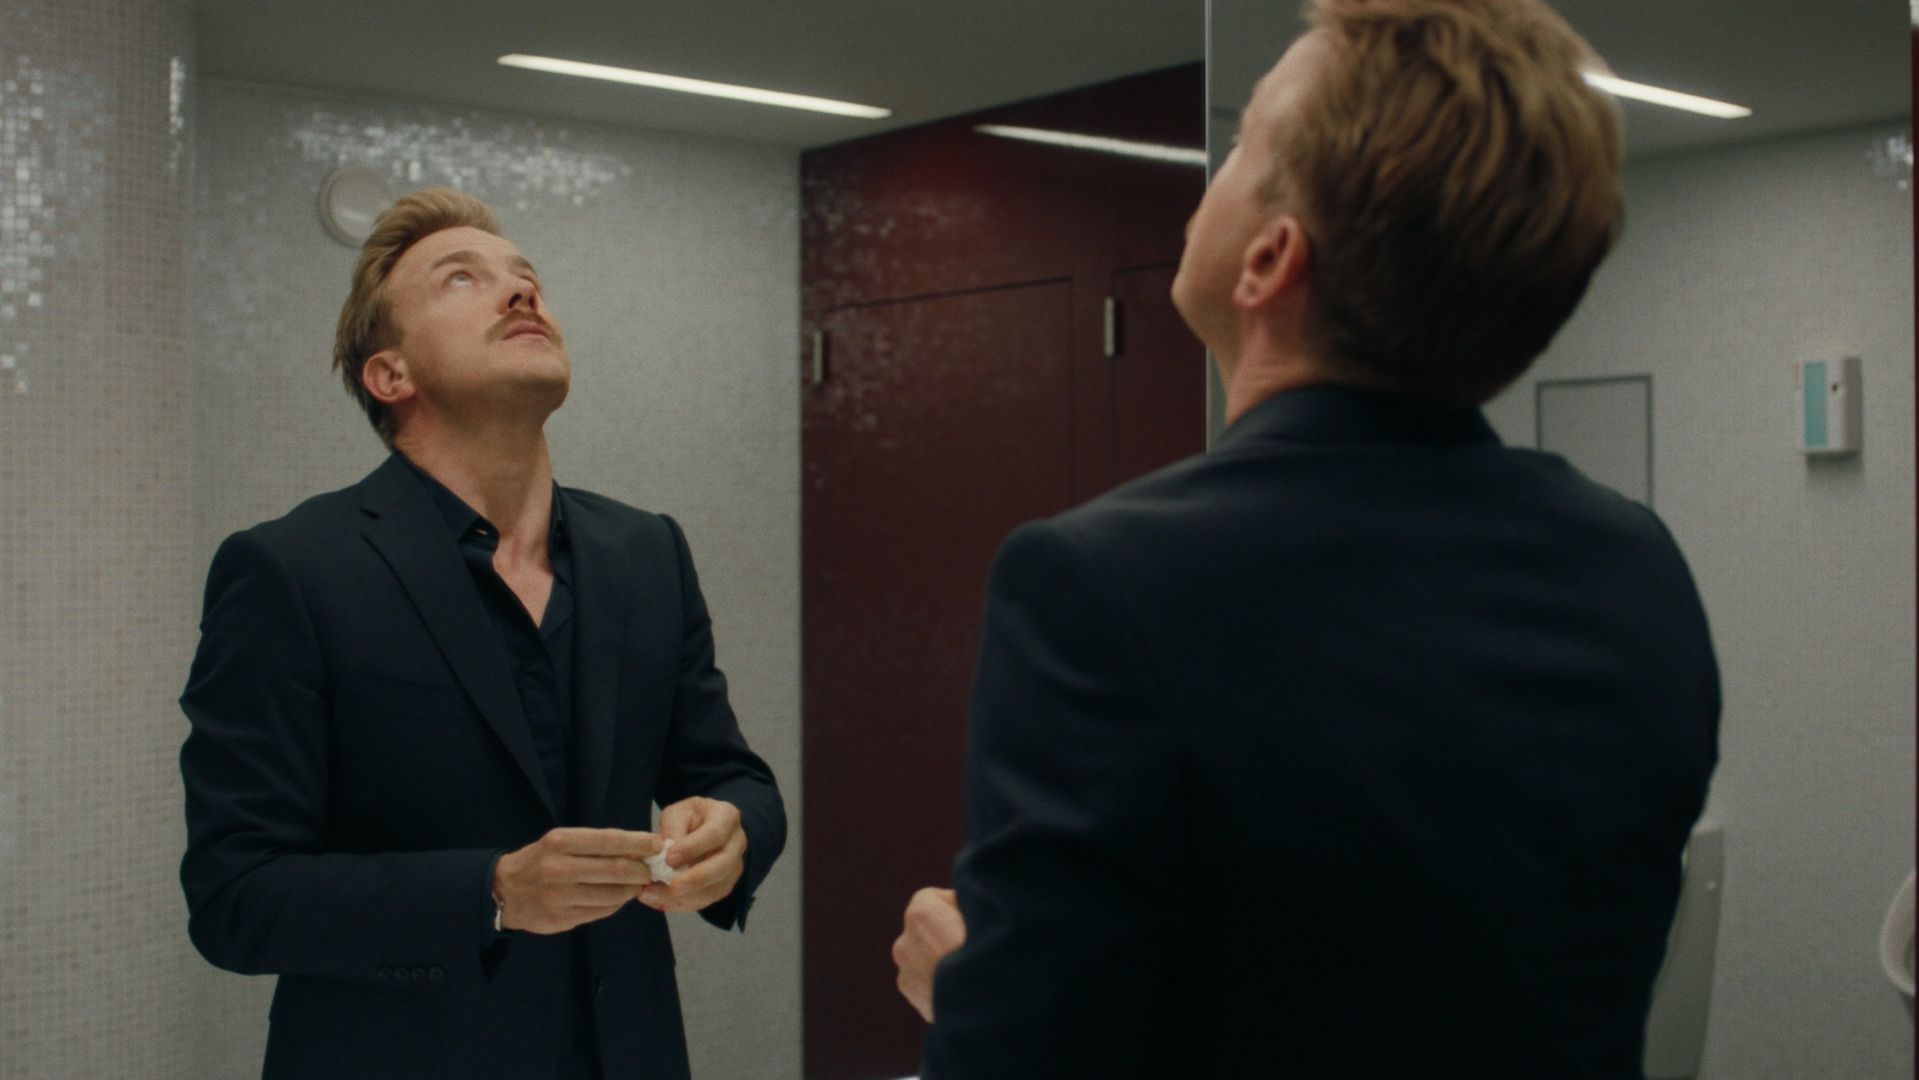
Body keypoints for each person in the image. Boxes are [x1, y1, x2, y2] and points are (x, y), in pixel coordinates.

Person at [892, 0, 1719, 1075]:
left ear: (1269, 258)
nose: (1213, 172)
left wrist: (968, 988)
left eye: (1240, 142)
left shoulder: (1104, 585)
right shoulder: (1634, 570)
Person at [179, 188, 786, 1080]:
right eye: (461, 279)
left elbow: (732, 777)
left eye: (525, 276)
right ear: (391, 375)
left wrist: (732, 833)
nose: (520, 292)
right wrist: (493, 893)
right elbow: (236, 895)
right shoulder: (290, 571)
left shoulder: (645, 551)